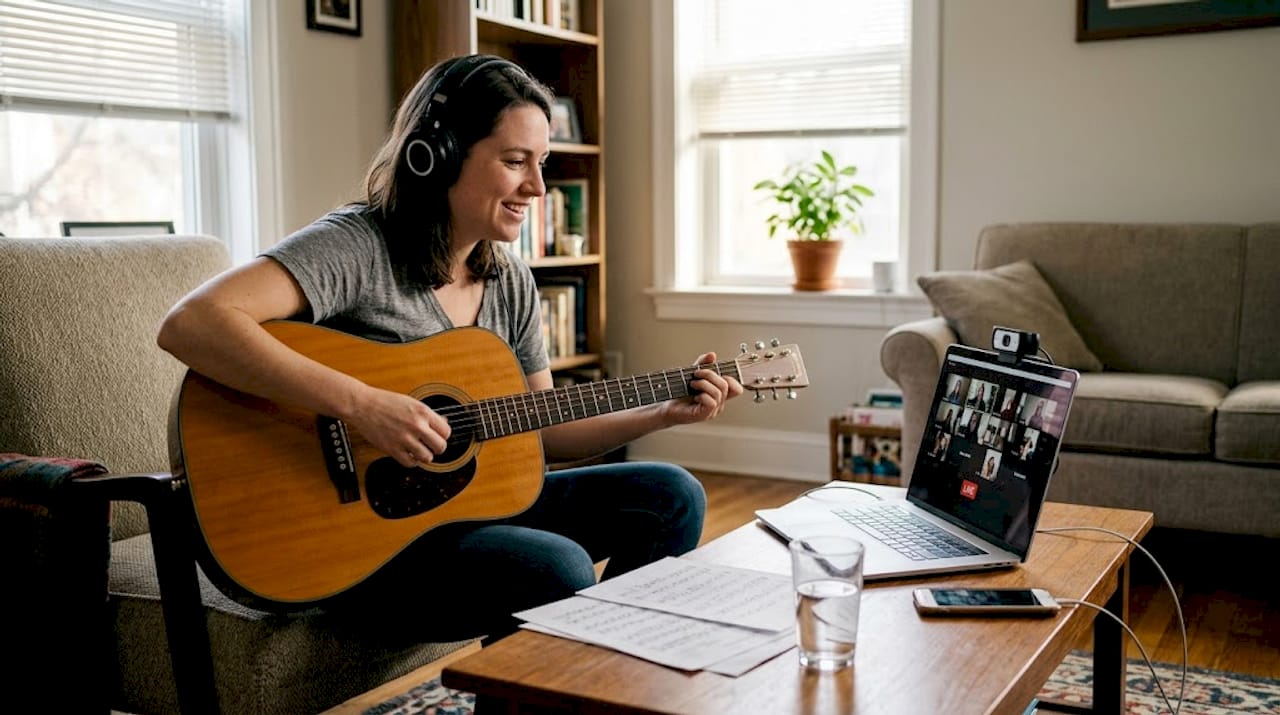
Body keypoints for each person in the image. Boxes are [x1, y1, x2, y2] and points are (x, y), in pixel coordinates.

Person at [155, 54, 743, 643]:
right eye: (515, 162)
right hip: (356, 541)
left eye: (539, 162)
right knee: (556, 567)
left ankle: (606, 683)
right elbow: (193, 322)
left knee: (673, 496)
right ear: (435, 155)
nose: (537, 187)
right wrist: (362, 405)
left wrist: (663, 411)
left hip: (462, 512)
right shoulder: (358, 247)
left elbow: (541, 430)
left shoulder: (509, 279)